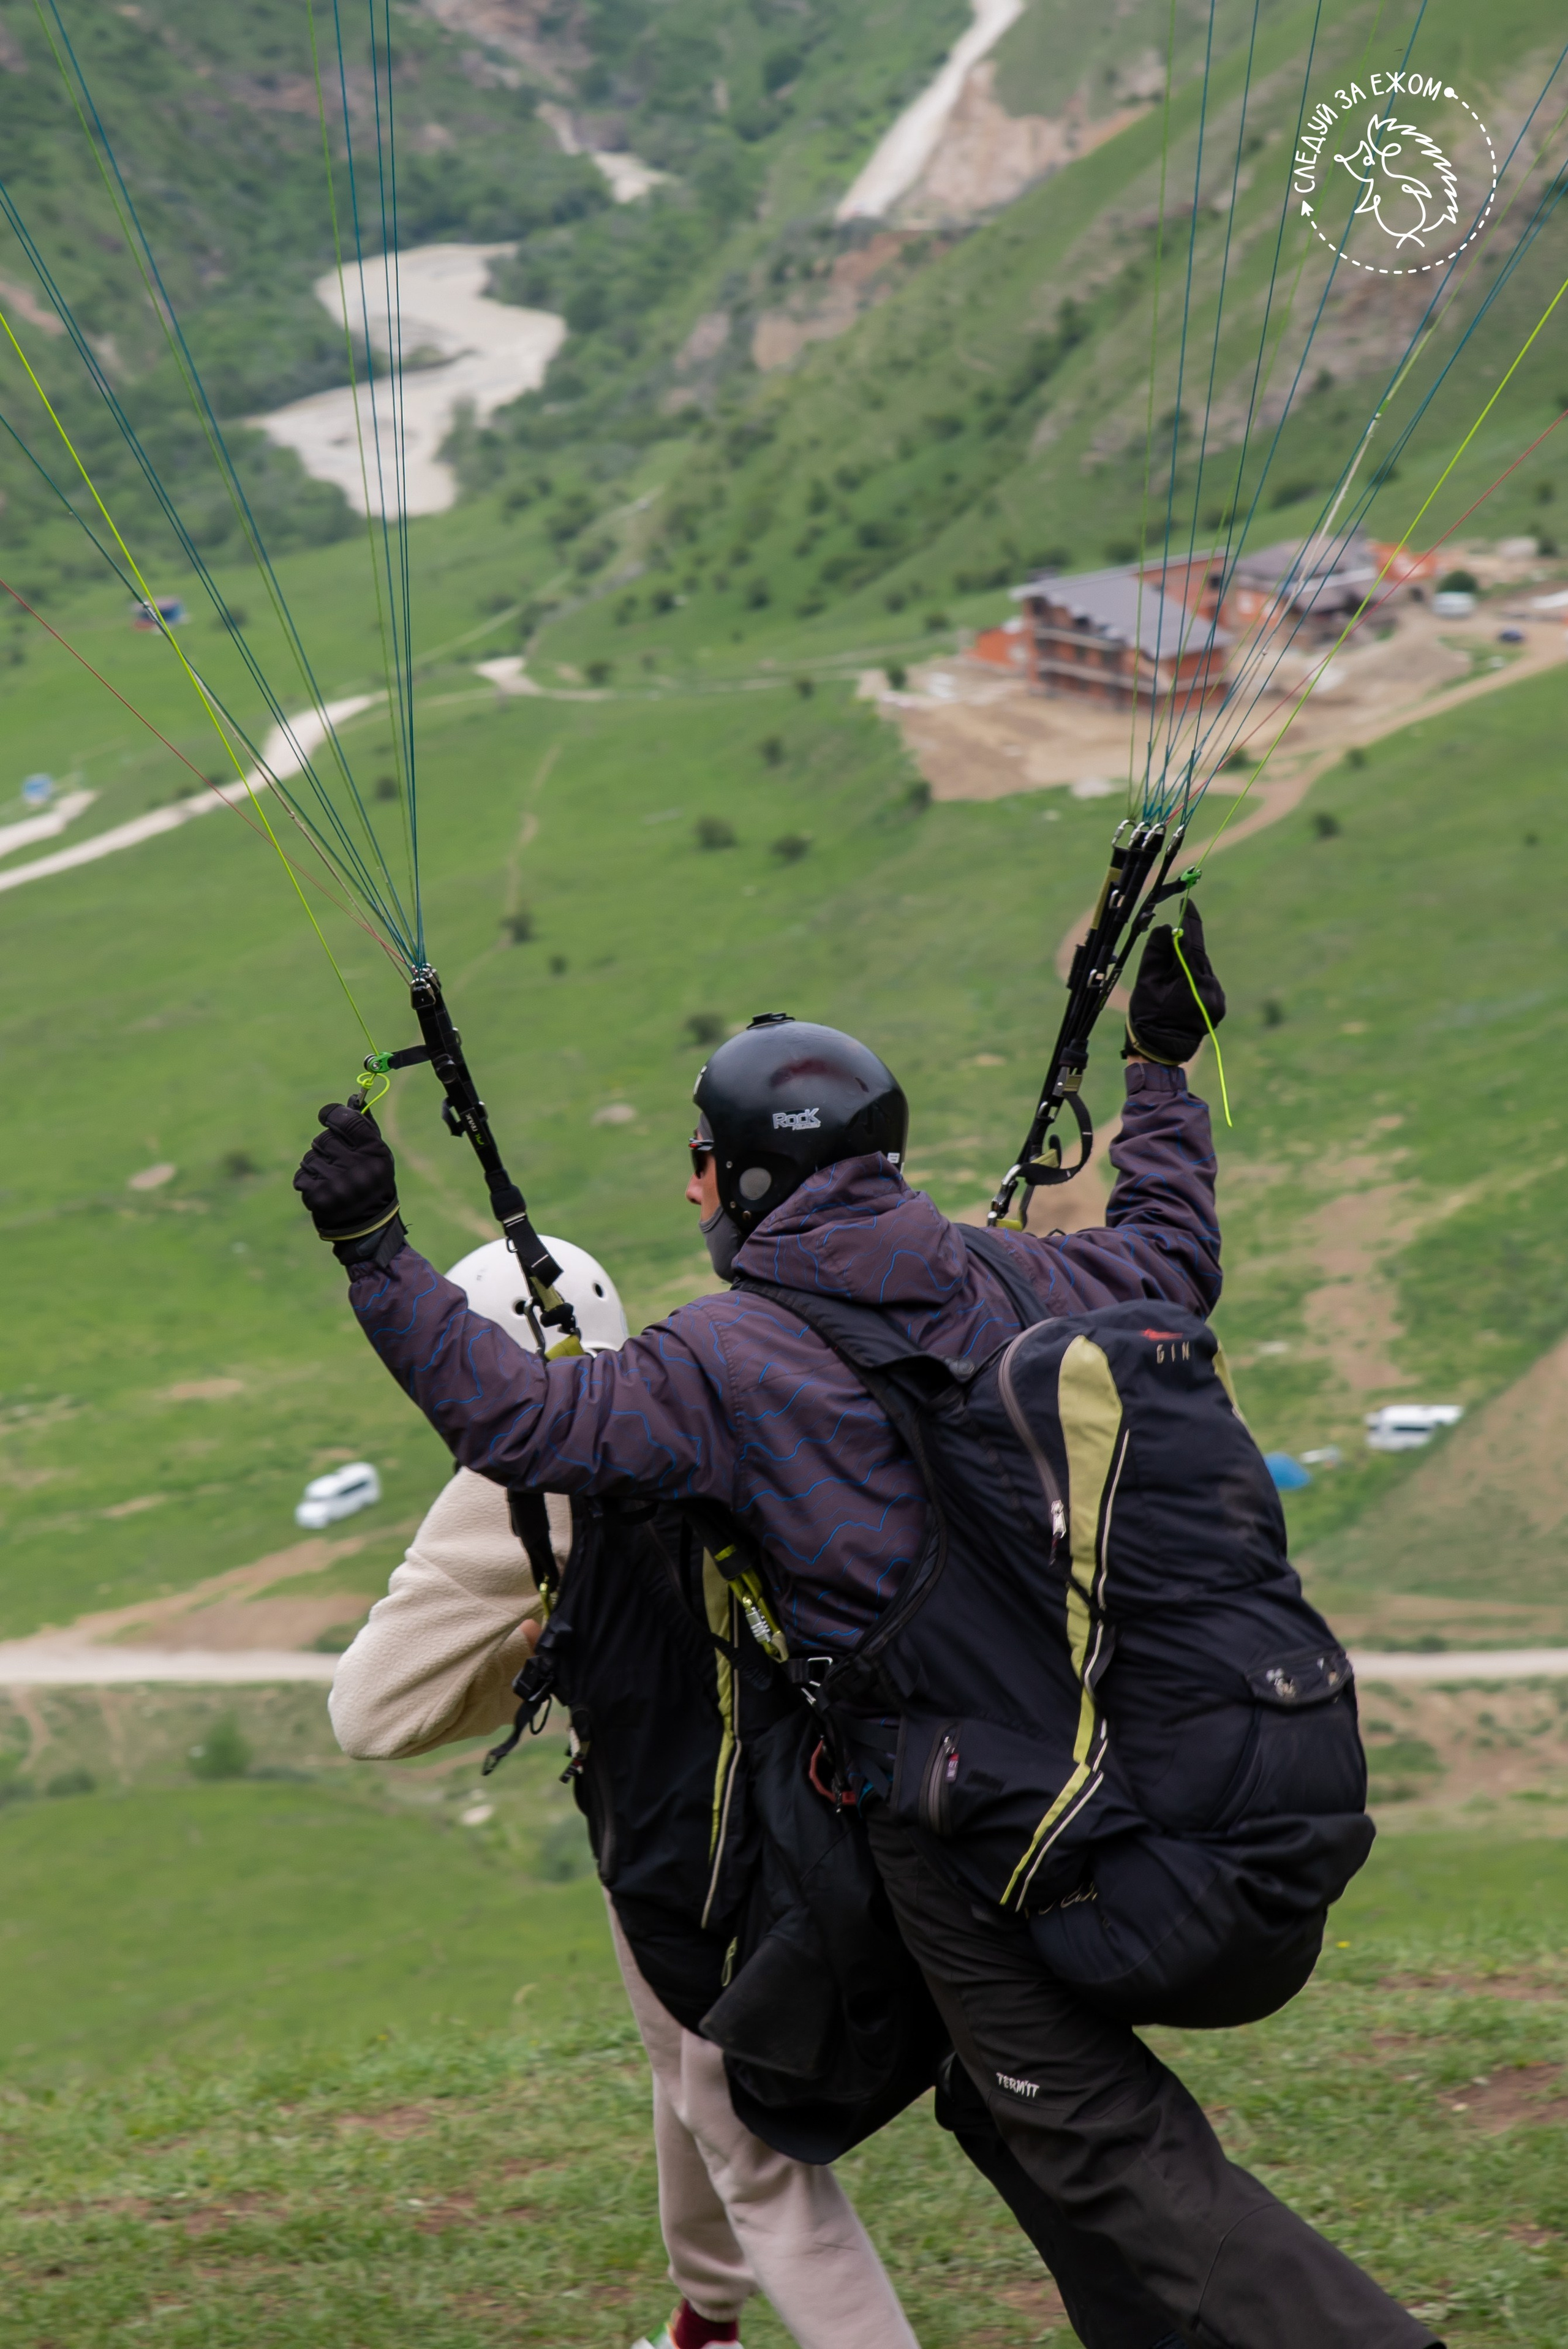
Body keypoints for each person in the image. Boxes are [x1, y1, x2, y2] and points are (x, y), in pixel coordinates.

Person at [295, 913, 1439, 2349]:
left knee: (1075, 2126)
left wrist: (374, 1251)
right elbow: (1170, 1245)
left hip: (998, 1833)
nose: (693, 1185)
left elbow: (524, 1418)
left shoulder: (728, 1362)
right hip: (1164, 1774)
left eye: (701, 1161)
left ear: (744, 1179)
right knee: (1006, 2097)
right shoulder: (1031, 1271)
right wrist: (1156, 1065)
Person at [328, 1233, 924, 2349]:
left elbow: (369, 1713)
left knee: (757, 2163)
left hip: (686, 1848)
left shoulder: (520, 1480)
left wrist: (532, 1655)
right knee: (690, 2075)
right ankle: (706, 2321)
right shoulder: (703, 1391)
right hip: (831, 1806)